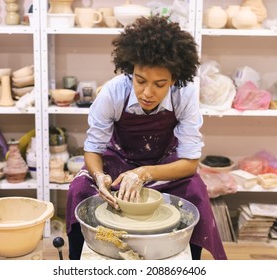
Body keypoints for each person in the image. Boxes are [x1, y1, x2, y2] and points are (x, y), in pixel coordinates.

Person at [66, 15, 227, 260]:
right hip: (118, 161)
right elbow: (93, 149)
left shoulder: (184, 94)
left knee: (196, 190)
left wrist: (144, 173)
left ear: (174, 79)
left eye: (159, 84)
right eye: (140, 81)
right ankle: (78, 263)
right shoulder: (113, 92)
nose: (147, 93)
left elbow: (190, 162)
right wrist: (99, 176)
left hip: (164, 164)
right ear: (131, 71)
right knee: (79, 189)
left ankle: (192, 263)